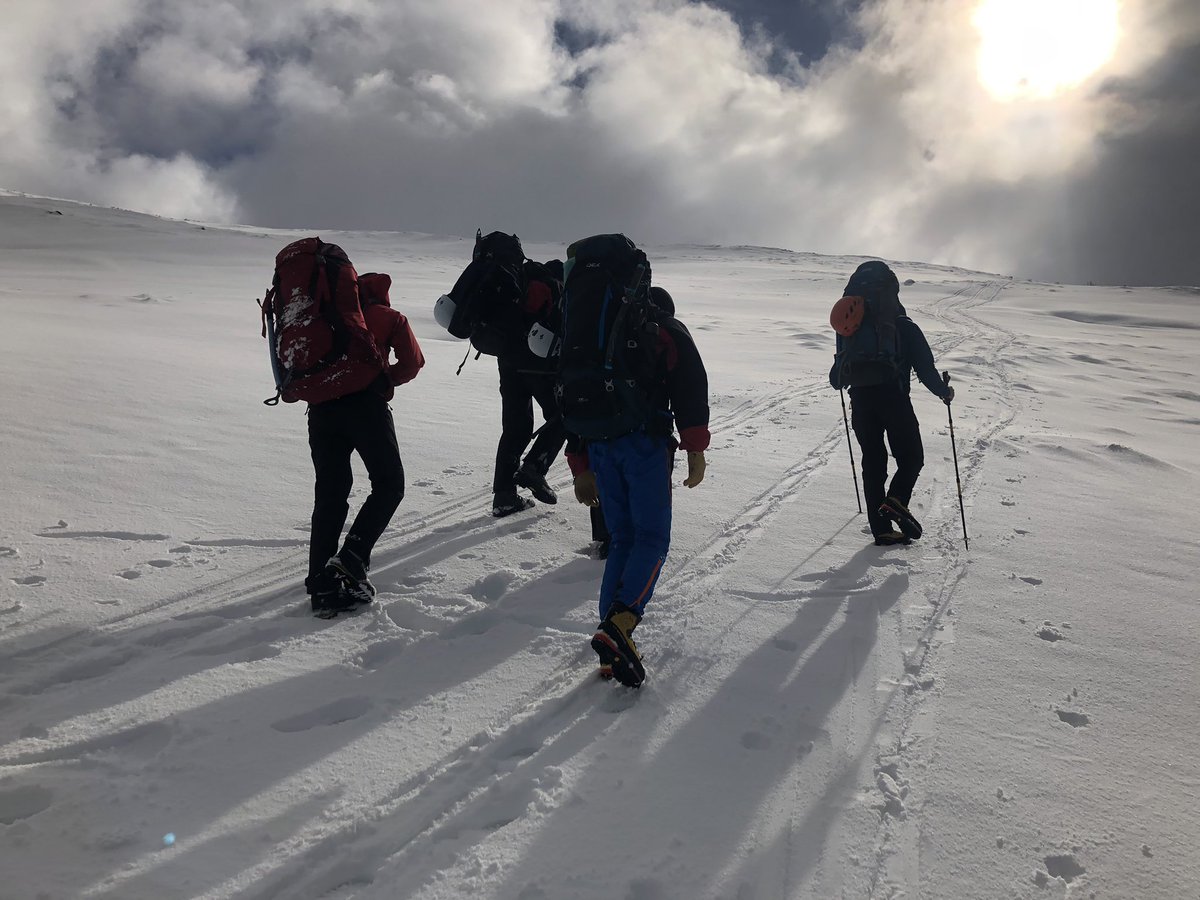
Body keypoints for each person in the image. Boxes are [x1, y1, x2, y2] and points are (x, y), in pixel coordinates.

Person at [567, 285, 710, 687]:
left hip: (600, 448)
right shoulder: (662, 327)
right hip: (643, 445)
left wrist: (580, 463)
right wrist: (695, 447)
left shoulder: (593, 338)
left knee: (624, 537)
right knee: (651, 538)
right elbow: (690, 383)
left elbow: (574, 396)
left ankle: (610, 639)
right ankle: (621, 624)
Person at [306, 272, 425, 617]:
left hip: (321, 411)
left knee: (330, 494)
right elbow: (413, 362)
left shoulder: (326, 319)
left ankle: (321, 586)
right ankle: (352, 557)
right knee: (389, 483)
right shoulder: (389, 318)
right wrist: (386, 379)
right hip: (365, 408)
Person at [829, 261, 953, 546]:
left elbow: (838, 372)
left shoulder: (850, 327)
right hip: (894, 400)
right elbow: (925, 369)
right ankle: (896, 500)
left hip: (860, 402)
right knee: (912, 458)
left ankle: (882, 529)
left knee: (873, 464)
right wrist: (944, 392)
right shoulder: (902, 325)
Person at [490, 257, 569, 517]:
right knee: (562, 417)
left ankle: (504, 496)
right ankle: (535, 466)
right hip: (539, 366)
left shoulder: (519, 286)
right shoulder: (556, 287)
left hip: (507, 363)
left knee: (515, 428)